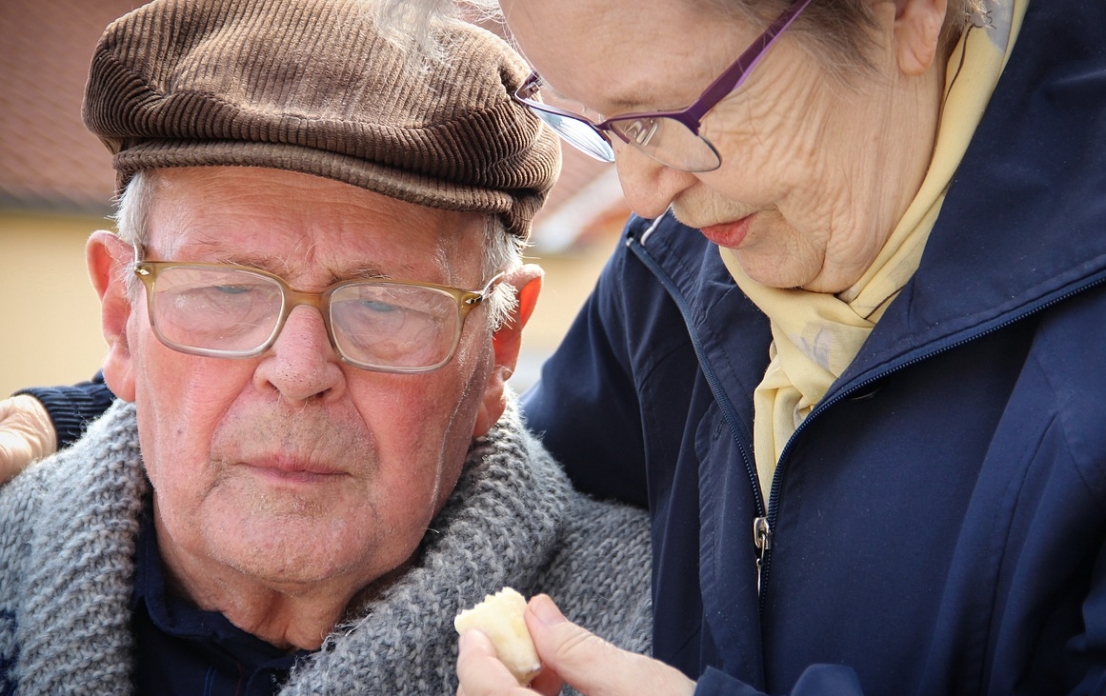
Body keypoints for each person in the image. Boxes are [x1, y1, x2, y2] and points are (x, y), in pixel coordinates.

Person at [7, 0, 1106, 694]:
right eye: (599, 127)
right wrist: (78, 424)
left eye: (675, 109)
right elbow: (449, 441)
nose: (639, 196)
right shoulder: (682, 273)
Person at [0, 0, 653, 694]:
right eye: (227, 291)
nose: (301, 371)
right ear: (122, 312)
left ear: (499, 344)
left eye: (383, 304)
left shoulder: (663, 632)